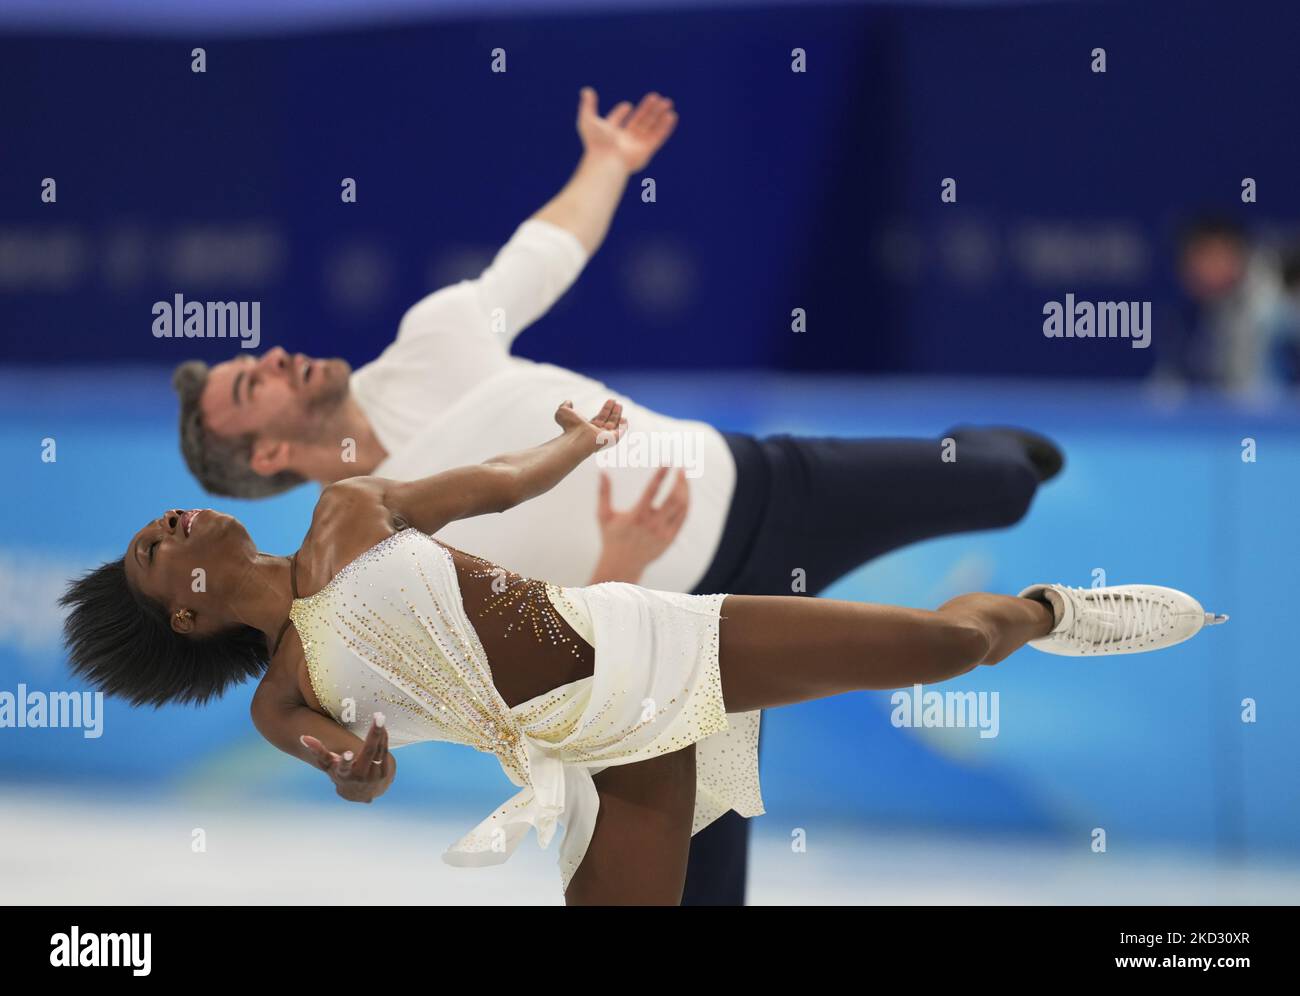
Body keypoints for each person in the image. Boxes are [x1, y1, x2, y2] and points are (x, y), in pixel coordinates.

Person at [169, 87, 1064, 904]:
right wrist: (624, 566)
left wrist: (606, 162)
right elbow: (527, 651)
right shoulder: (358, 566)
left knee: (1003, 481)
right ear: (274, 449)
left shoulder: (431, 340)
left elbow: (541, 255)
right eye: (253, 386)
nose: (275, 358)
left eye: (255, 360)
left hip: (757, 487)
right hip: (677, 643)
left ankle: (996, 459)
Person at [62, 399, 1222, 904]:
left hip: (657, 650)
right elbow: (345, 769)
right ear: (184, 615)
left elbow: (494, 483)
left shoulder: (351, 511)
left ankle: (1040, 611)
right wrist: (361, 772)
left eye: (159, 524)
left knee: (945, 652)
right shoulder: (284, 698)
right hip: (582, 759)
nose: (166, 526)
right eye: (150, 551)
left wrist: (571, 448)